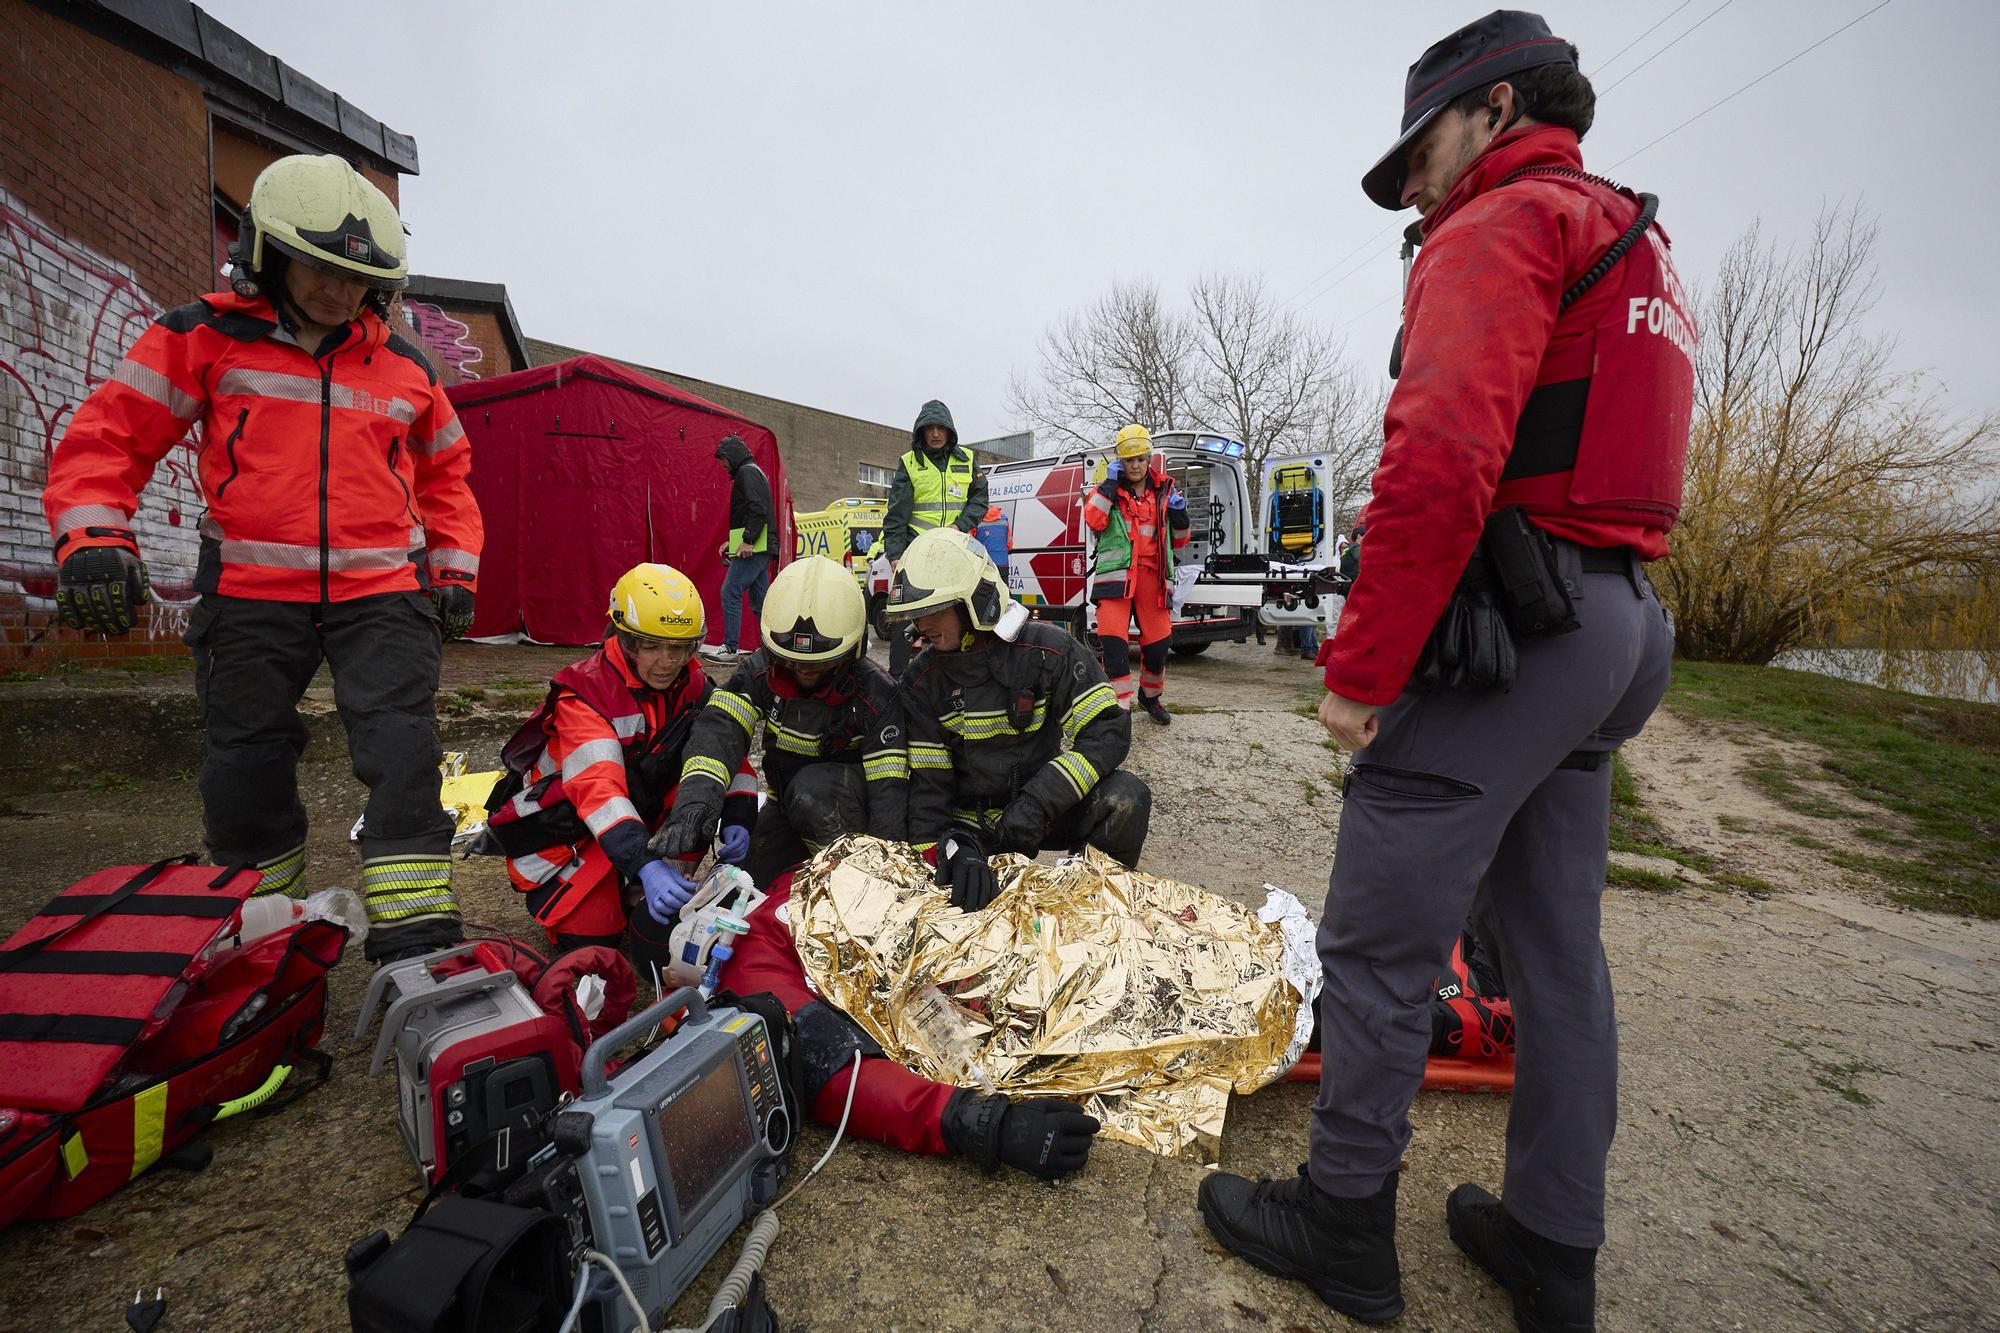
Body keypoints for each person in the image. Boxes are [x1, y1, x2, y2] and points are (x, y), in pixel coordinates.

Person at [1196, 14, 1691, 1332]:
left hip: (1514, 635)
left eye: (1419, 148)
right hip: (1616, 623)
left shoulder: (1502, 223)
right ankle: (1550, 1246)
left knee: (1374, 939)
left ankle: (1345, 1225)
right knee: (1555, 954)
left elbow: (1438, 462)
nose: (1410, 182)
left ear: (1494, 108)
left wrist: (1362, 670)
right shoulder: (1630, 236)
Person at [41, 153, 483, 963]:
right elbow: (110, 437)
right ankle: (266, 925)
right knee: (245, 763)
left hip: (384, 594)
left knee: (403, 753)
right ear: (266, 250)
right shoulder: (201, 336)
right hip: (249, 594)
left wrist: (453, 570)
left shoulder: (407, 366)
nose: (336, 290)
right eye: (318, 266)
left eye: (355, 277)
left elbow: (448, 472)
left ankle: (417, 932)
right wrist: (93, 536)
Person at [716, 865, 1102, 1180]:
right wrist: (980, 1122)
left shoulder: (834, 873)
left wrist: (962, 844)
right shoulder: (750, 959)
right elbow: (833, 1068)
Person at [481, 564, 758, 973]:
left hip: (628, 818)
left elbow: (725, 753)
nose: (667, 662)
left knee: (698, 791)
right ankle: (635, 886)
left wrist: (737, 814)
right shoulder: (587, 691)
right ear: (625, 640)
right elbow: (599, 790)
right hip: (571, 831)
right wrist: (645, 865)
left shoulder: (696, 688)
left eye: (680, 648)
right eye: (651, 646)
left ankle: (654, 896)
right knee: (593, 945)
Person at [886, 528, 1150, 904]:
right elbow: (929, 789)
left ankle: (1097, 909)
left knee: (1125, 798)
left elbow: (1107, 732)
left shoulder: (1049, 652)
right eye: (915, 613)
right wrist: (947, 852)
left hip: (1041, 812)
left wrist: (1039, 802)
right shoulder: (922, 681)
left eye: (930, 610)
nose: (920, 625)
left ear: (972, 603)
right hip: (969, 828)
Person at [656, 555, 907, 888]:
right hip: (787, 806)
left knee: (813, 792)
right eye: (791, 660)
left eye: (819, 663)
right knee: (742, 886)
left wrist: (882, 873)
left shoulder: (875, 695)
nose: (802, 670)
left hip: (845, 813)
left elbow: (889, 794)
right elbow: (720, 732)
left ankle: (843, 878)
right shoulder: (761, 671)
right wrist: (697, 800)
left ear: (851, 651)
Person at [1083, 424, 1190, 725]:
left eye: (1141, 459)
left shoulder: (1166, 490)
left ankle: (1150, 697)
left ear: (1149, 459)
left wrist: (1179, 513)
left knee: (1159, 645)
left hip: (1153, 580)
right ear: (1120, 461)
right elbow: (1094, 520)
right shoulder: (1107, 489)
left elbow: (1180, 538)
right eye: (1129, 460)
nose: (1135, 465)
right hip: (1115, 579)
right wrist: (1107, 486)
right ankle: (1119, 710)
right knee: (1114, 646)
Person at [880, 399, 987, 674]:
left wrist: (960, 526)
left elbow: (980, 500)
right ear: (922, 432)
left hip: (956, 552)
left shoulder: (968, 460)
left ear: (950, 431)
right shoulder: (909, 463)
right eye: (930, 428)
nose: (936, 434)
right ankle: (897, 680)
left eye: (942, 428)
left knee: (962, 615)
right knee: (906, 618)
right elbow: (896, 515)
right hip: (917, 554)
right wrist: (895, 555)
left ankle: (962, 673)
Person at [706, 433, 774, 666]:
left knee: (730, 591)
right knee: (760, 602)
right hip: (761, 547)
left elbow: (758, 509)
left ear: (733, 456)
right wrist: (733, 543)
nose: (723, 465)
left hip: (756, 547)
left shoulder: (747, 473)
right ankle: (771, 649)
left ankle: (730, 647)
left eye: (723, 459)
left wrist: (747, 541)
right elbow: (755, 510)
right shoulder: (754, 472)